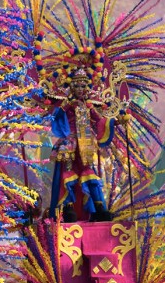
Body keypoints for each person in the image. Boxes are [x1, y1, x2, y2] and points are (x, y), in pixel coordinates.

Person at [47, 67, 127, 223]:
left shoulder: (89, 105)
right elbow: (55, 116)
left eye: (83, 86)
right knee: (68, 171)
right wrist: (68, 105)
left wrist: (117, 122)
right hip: (69, 143)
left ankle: (99, 209)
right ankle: (68, 208)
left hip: (86, 143)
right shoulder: (67, 104)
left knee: (89, 172)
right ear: (71, 87)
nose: (80, 89)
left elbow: (100, 120)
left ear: (88, 87)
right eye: (76, 86)